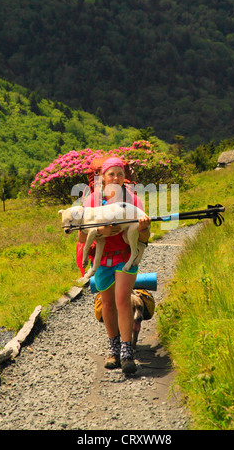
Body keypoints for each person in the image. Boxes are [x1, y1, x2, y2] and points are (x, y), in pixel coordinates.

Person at [78, 157, 151, 374]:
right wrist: (99, 232)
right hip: (102, 260)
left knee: (122, 299)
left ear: (124, 176)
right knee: (107, 303)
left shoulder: (133, 200)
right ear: (102, 177)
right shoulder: (91, 202)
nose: (116, 178)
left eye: (120, 173)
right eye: (111, 174)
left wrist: (144, 227)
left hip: (125, 256)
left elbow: (144, 236)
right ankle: (113, 346)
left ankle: (126, 351)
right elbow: (82, 237)